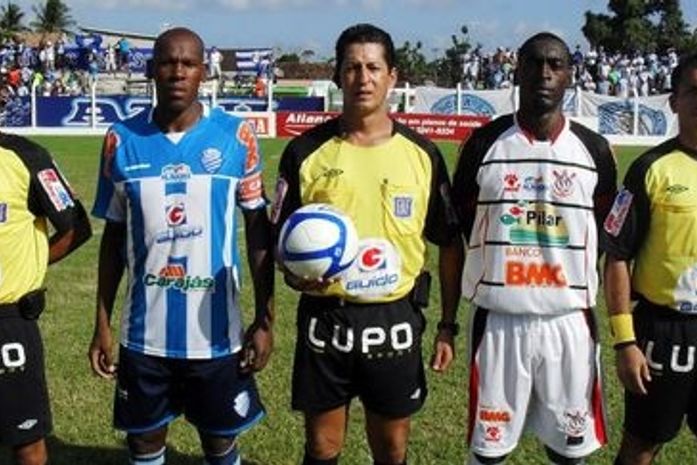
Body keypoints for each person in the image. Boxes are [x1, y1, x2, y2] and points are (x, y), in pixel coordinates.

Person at [271, 23, 463, 465]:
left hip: (394, 318)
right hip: (326, 317)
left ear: (393, 76)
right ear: (338, 76)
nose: (363, 78)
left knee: (391, 449)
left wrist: (447, 325)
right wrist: (295, 276)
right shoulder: (304, 152)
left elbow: (449, 243)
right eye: (352, 68)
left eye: (373, 67)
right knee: (322, 447)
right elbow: (281, 240)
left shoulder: (423, 154)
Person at [89, 27, 274, 465]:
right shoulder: (120, 139)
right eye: (168, 62)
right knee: (144, 443)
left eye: (188, 63)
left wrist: (266, 319)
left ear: (202, 72)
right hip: (143, 337)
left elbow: (258, 233)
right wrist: (101, 323)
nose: (177, 71)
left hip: (217, 338)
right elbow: (113, 237)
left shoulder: (237, 137)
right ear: (152, 70)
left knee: (219, 443)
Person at [451, 32, 617, 465]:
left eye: (556, 64)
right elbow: (466, 219)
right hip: (499, 319)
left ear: (569, 75)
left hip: (569, 322)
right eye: (535, 63)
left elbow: (599, 228)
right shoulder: (484, 145)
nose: (545, 72)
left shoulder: (595, 150)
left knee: (569, 454)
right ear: (517, 70)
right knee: (488, 454)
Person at [601, 53, 697, 465]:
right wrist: (625, 341)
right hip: (664, 331)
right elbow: (617, 257)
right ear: (674, 101)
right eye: (695, 92)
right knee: (642, 444)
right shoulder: (649, 169)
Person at [0, 91, 92, 465]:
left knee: (26, 439)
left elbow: (76, 227)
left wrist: (34, 265)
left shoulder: (27, 157)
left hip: (7, 322)